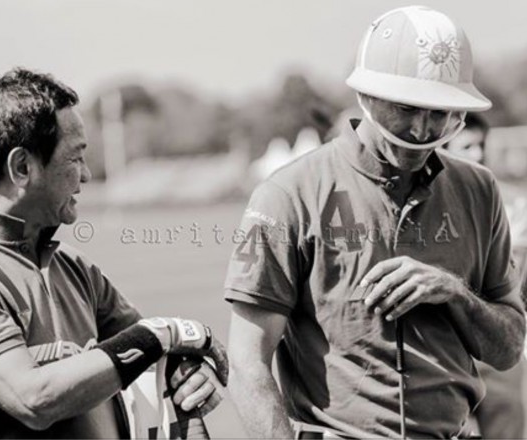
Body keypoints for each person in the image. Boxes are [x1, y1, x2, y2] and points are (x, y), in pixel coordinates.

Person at [224, 6, 525, 439]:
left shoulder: (479, 190)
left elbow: (509, 348)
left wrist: (454, 293)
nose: (422, 129)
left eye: (439, 112)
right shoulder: (288, 193)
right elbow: (248, 361)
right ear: (366, 95)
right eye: (406, 108)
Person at [0, 68, 227, 439]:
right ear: (22, 167)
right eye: (75, 158)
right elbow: (32, 398)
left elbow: (144, 352)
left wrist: (183, 373)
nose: (87, 175)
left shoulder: (74, 266)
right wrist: (162, 335)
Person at [442, 113, 527, 439]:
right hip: (448, 351)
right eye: (467, 146)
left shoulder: (512, 202)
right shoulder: (429, 204)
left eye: (481, 145)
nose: (478, 154)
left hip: (499, 345)